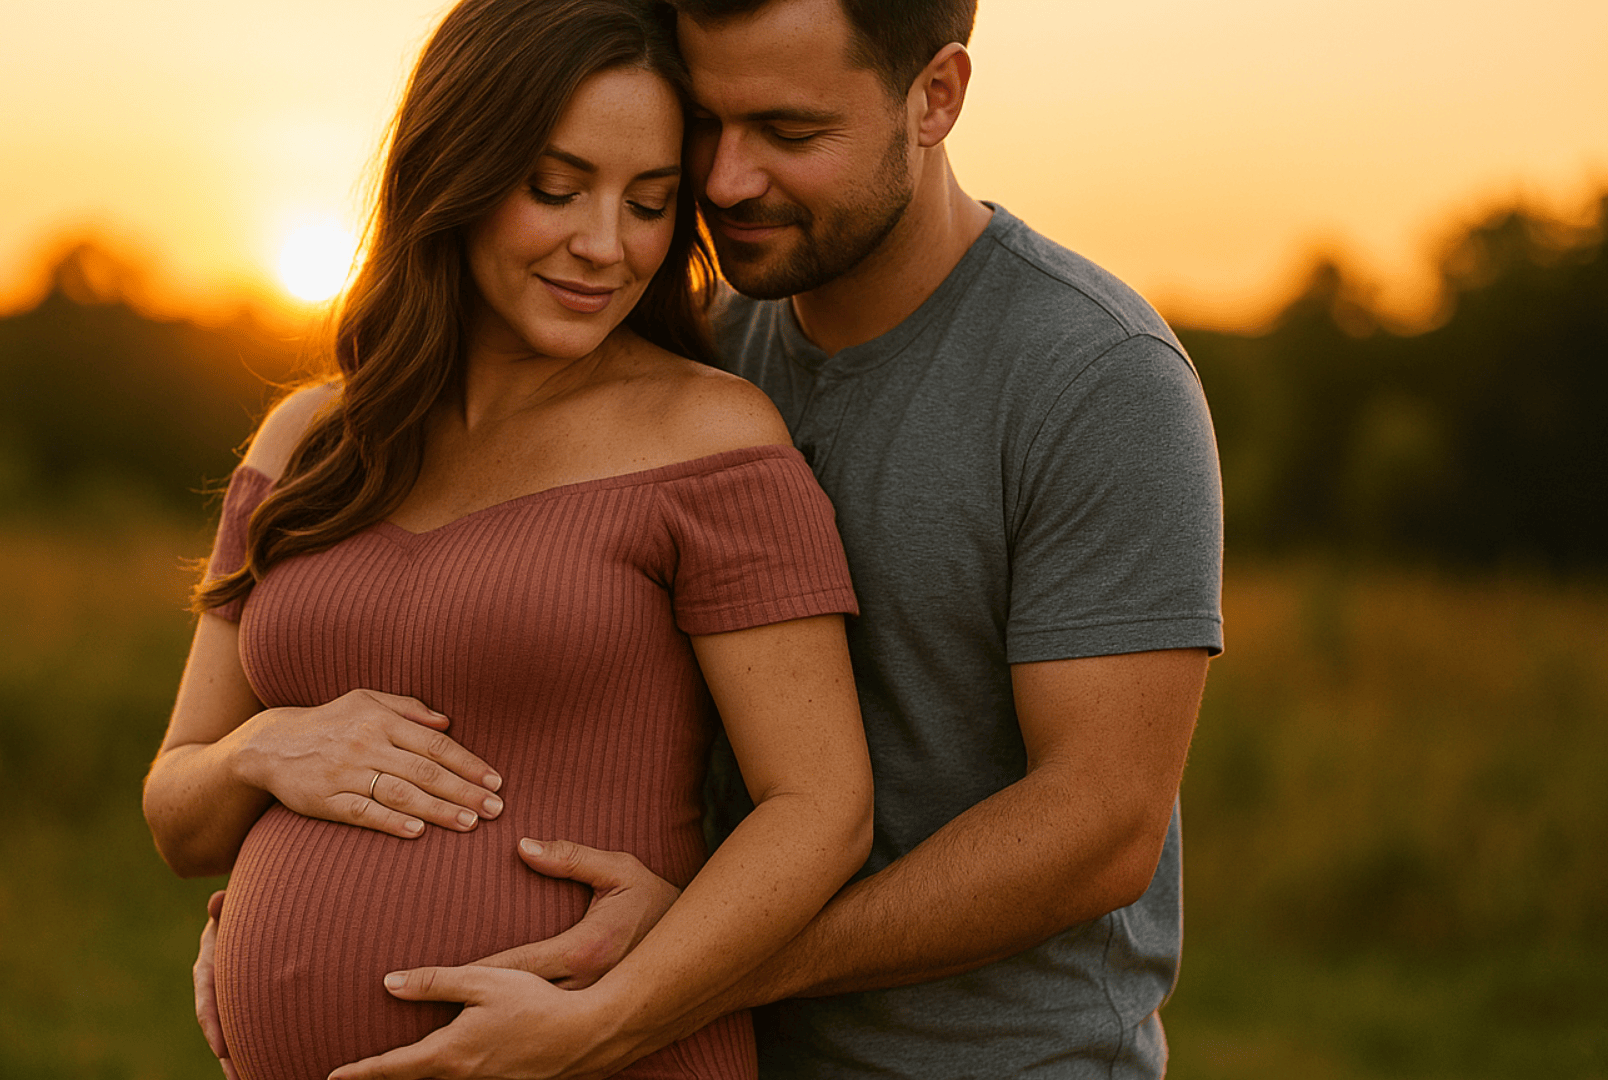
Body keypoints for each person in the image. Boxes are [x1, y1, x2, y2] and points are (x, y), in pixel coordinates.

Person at [196, 0, 1223, 1076]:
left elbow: (1100, 825)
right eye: (706, 126)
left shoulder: (1094, 378)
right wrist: (293, 905)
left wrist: (679, 978)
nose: (725, 182)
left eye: (787, 132)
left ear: (936, 97)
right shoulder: (688, 347)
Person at [140, 1, 878, 1078]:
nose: (604, 245)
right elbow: (179, 817)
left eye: (650, 204)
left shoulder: (709, 437)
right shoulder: (309, 441)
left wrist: (603, 1021)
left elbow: (821, 810)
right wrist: (265, 749)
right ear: (458, 169)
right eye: (556, 187)